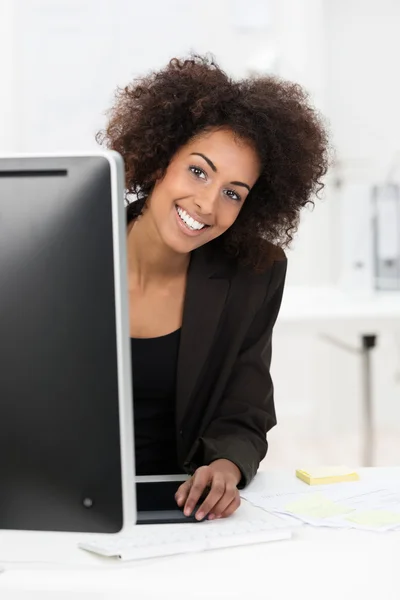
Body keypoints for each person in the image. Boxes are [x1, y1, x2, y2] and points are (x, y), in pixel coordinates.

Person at [96, 55, 329, 521]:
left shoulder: (253, 275)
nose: (206, 204)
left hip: (180, 510)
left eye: (233, 193)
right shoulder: (70, 245)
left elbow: (245, 409)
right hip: (57, 500)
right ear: (161, 160)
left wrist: (226, 466)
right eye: (198, 171)